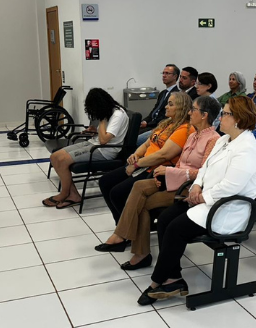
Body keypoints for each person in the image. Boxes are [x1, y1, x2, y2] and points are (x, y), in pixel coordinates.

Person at [137, 96, 256, 305]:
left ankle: (157, 281)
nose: (220, 118)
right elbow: (204, 168)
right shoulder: (224, 139)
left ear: (239, 119)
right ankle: (173, 277)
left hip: (227, 209)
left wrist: (202, 196)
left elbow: (232, 187)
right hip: (207, 199)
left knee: (176, 228)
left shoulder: (247, 149)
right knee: (166, 218)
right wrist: (196, 186)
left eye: (225, 114)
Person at [94, 96, 221, 271]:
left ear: (205, 115)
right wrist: (166, 174)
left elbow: (204, 173)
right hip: (174, 178)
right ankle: (129, 242)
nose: (190, 112)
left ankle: (131, 244)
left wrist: (169, 172)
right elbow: (179, 161)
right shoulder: (193, 135)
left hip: (188, 187)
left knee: (141, 201)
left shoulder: (212, 139)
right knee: (137, 189)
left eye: (194, 110)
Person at [99, 92, 193, 224]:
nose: (166, 107)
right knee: (105, 181)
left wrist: (137, 164)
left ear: (182, 108)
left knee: (117, 193)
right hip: (144, 164)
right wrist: (136, 155)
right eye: (167, 103)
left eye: (171, 104)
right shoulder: (166, 124)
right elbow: (148, 143)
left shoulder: (185, 129)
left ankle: (127, 228)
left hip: (155, 170)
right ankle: (121, 224)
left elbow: (163, 155)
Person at [43, 89, 129, 208]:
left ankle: (64, 194)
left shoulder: (117, 114)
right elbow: (103, 134)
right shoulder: (109, 111)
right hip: (93, 143)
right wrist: (95, 130)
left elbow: (104, 141)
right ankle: (73, 195)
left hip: (104, 151)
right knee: (54, 157)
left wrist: (102, 119)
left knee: (63, 160)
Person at [136, 64, 180, 146]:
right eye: (163, 73)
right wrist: (145, 121)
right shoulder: (163, 93)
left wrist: (148, 124)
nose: (164, 76)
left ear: (175, 76)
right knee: (130, 133)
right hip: (151, 124)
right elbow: (154, 111)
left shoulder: (176, 95)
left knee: (136, 139)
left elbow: (166, 117)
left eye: (167, 73)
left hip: (159, 126)